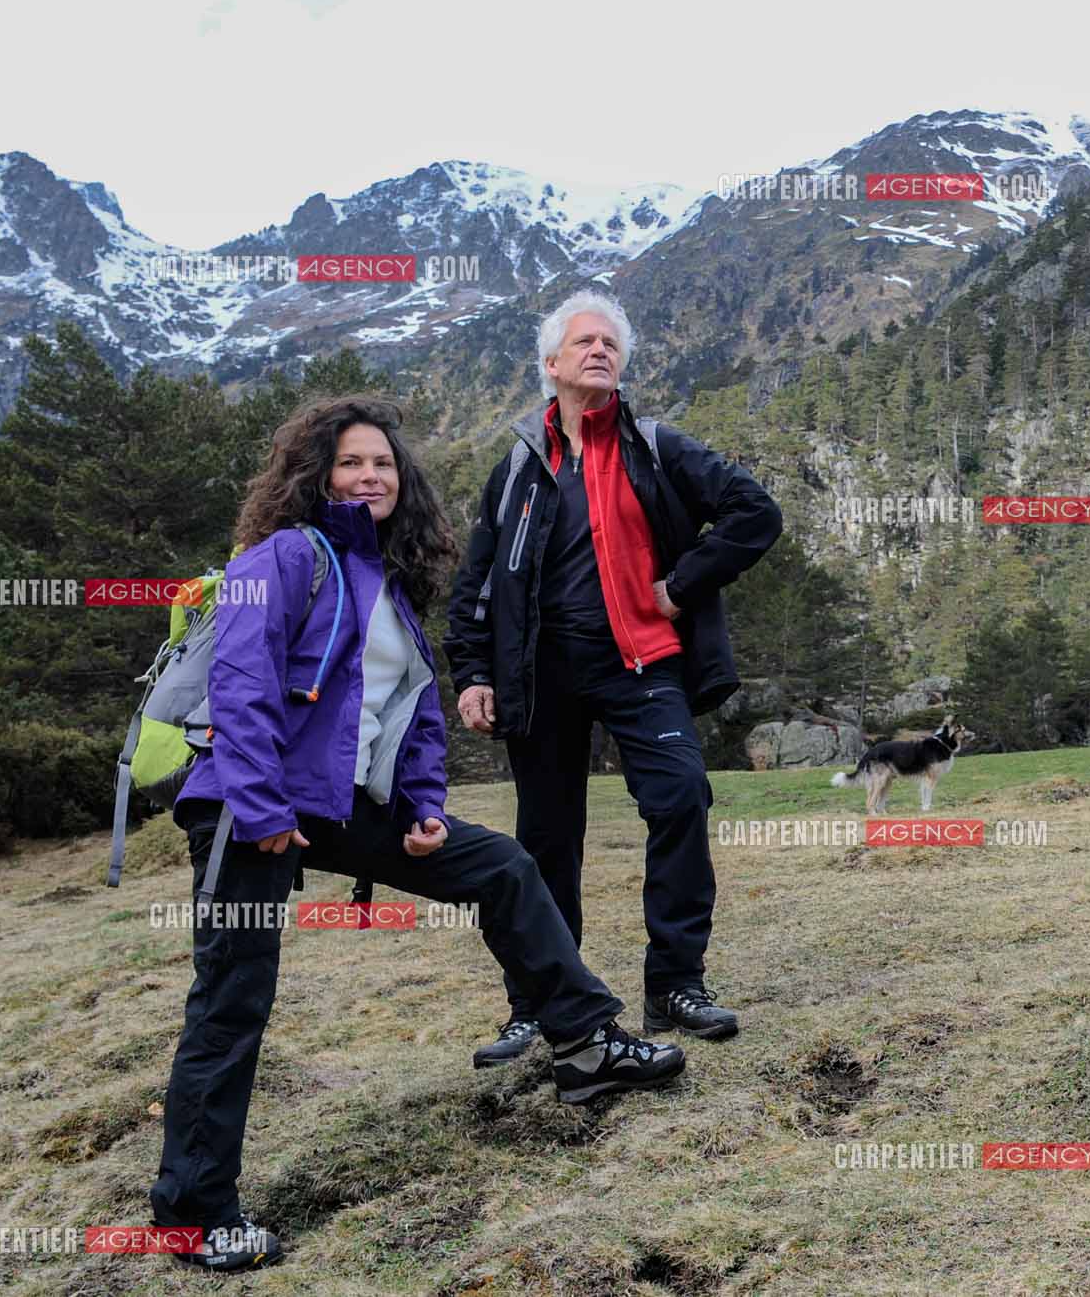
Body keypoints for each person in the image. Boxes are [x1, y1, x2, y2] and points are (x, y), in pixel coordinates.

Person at [149, 396, 684, 1275]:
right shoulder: (279, 558)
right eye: (351, 463)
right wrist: (263, 808)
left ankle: (586, 1045)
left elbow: (414, 718)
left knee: (502, 866)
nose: (370, 477)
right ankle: (193, 1211)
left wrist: (425, 806)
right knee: (232, 995)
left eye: (384, 465)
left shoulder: (386, 587)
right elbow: (242, 688)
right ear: (313, 475)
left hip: (339, 802)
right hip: (247, 808)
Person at [447, 289, 781, 1068]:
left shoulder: (657, 447)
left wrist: (682, 583)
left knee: (680, 798)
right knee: (546, 843)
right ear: (551, 365)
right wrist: (471, 674)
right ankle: (540, 1005)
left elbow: (753, 513)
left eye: (611, 343)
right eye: (584, 342)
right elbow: (477, 587)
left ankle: (675, 983)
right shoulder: (518, 471)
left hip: (642, 664)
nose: (600, 350)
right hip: (540, 681)